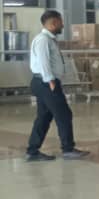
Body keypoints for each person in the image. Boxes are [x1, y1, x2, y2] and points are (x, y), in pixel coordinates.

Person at [26, 10, 89, 162]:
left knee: (44, 117)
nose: (62, 25)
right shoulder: (43, 40)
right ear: (53, 23)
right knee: (64, 114)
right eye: (60, 22)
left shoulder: (48, 39)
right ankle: (68, 149)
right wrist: (51, 81)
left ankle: (32, 151)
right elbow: (43, 62)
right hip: (46, 83)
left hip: (44, 82)